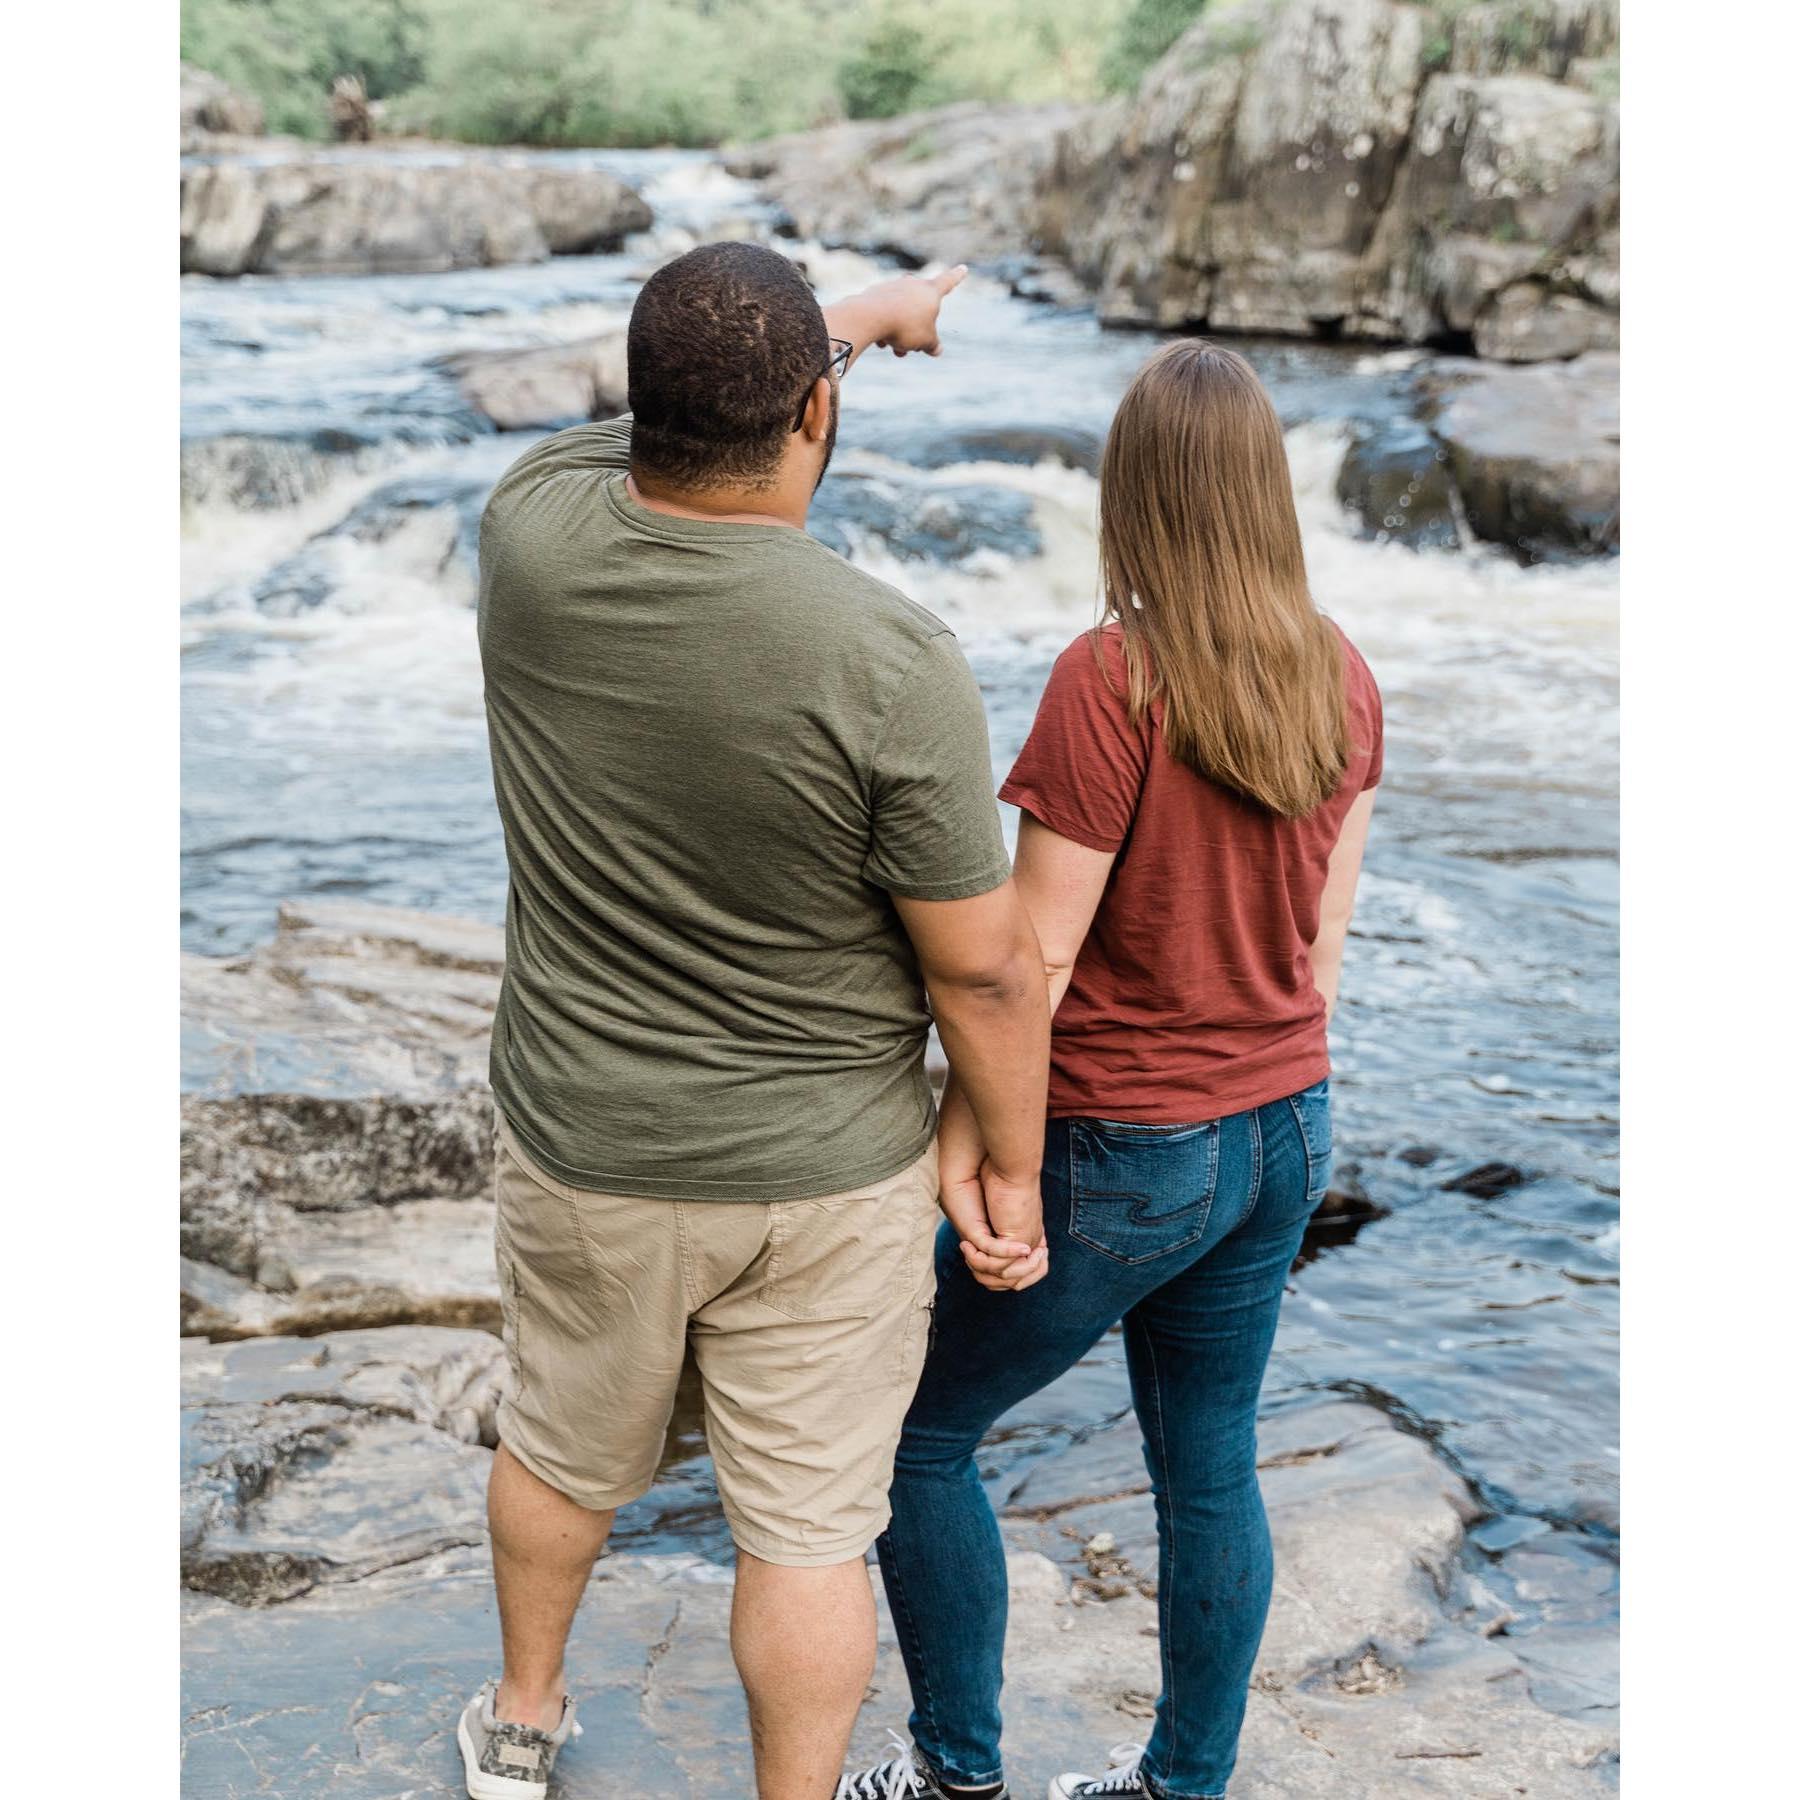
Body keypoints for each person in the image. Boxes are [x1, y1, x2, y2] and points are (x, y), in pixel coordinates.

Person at [461, 241, 1052, 1800]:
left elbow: (665, 422)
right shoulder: (889, 654)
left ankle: (523, 1722)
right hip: (826, 1176)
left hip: (590, 1144)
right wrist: (1010, 1160)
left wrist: (847, 324)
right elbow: (984, 970)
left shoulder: (527, 532)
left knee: (561, 1449)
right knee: (806, 1531)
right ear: (816, 412)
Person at [838, 340, 1384, 1800]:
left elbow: (1037, 961)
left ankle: (955, 1772)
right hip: (1283, 1128)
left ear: (1130, 493)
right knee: (1208, 1462)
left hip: (1132, 1145)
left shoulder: (1110, 679)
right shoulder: (1340, 673)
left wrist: (988, 1147)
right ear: (1267, 492)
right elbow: (1322, 957)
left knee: (918, 1435)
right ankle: (1182, 1786)